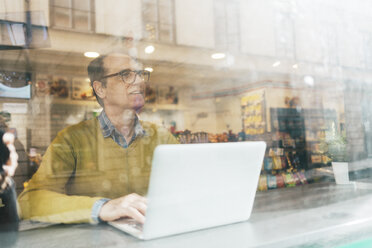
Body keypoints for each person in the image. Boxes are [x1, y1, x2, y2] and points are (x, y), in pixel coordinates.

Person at [18, 53, 179, 225]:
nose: (139, 81)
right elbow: (30, 200)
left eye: (140, 74)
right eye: (126, 75)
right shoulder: (71, 140)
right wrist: (102, 207)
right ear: (100, 89)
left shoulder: (161, 136)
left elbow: (191, 182)